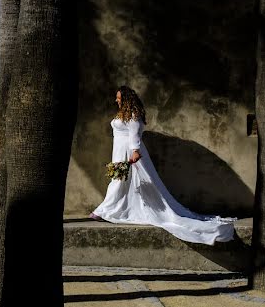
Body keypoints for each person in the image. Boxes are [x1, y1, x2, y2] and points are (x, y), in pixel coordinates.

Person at [90, 86, 235, 245]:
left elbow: (134, 135)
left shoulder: (134, 115)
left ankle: (103, 210)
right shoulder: (123, 114)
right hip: (118, 151)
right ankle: (110, 209)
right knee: (120, 181)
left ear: (126, 99)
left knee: (119, 180)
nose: (116, 100)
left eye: (118, 98)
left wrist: (133, 154)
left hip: (128, 152)